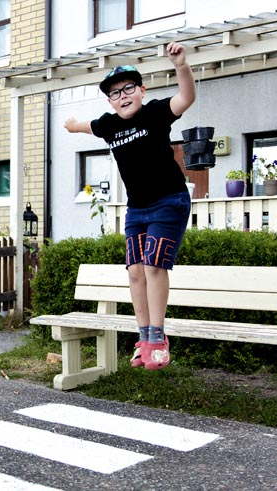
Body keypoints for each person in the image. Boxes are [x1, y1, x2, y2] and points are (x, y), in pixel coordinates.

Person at [63, 42, 196, 371]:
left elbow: (186, 97)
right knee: (135, 272)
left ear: (141, 91)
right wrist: (72, 124)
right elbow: (86, 126)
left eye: (128, 89)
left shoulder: (155, 114)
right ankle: (144, 337)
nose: (122, 96)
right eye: (115, 93)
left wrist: (181, 65)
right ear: (110, 101)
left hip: (170, 201)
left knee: (153, 266)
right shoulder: (109, 125)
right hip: (137, 209)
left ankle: (158, 338)